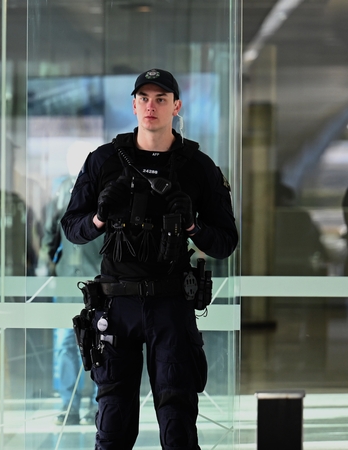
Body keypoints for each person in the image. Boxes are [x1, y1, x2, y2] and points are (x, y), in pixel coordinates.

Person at [60, 68, 238, 449]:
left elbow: (225, 242)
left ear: (176, 106)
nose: (151, 107)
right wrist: (99, 217)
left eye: (160, 99)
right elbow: (72, 228)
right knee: (113, 425)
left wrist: (192, 226)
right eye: (143, 98)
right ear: (133, 105)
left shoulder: (198, 166)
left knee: (177, 426)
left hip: (170, 305)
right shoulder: (105, 160)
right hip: (116, 304)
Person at [38, 143, 102, 426]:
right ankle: (70, 405)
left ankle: (100, 405)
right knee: (66, 342)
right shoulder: (61, 192)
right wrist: (45, 268)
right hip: (67, 282)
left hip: (100, 281)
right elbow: (50, 235)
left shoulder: (108, 190)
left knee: (102, 343)